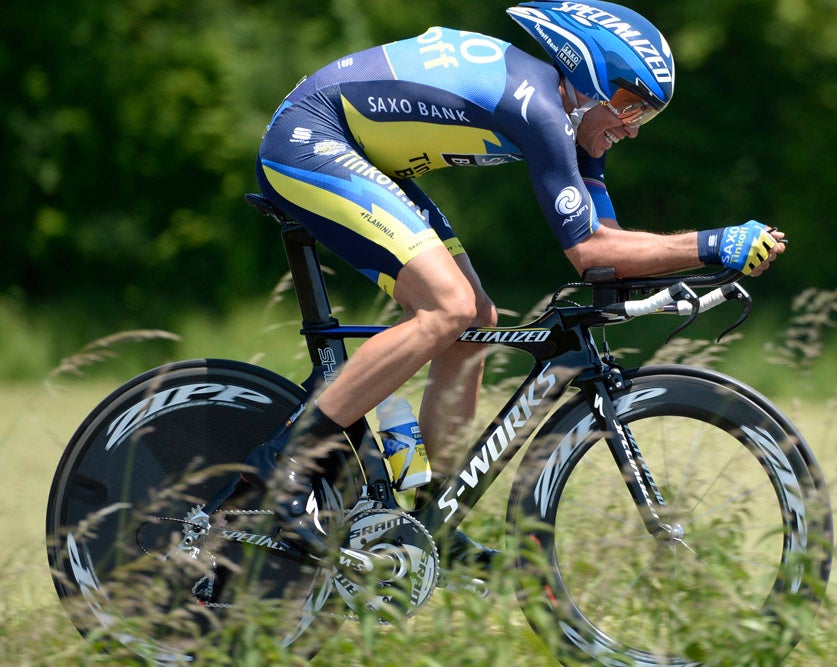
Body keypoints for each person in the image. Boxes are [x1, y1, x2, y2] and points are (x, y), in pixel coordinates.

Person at [244, 1, 785, 567]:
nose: (631, 127)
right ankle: (284, 465)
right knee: (447, 307)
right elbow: (591, 254)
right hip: (310, 137)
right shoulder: (542, 110)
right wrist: (714, 243)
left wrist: (693, 265)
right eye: (629, 106)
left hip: (356, 150)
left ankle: (430, 521)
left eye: (645, 116)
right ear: (587, 78)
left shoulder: (577, 127)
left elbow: (611, 250)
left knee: (474, 321)